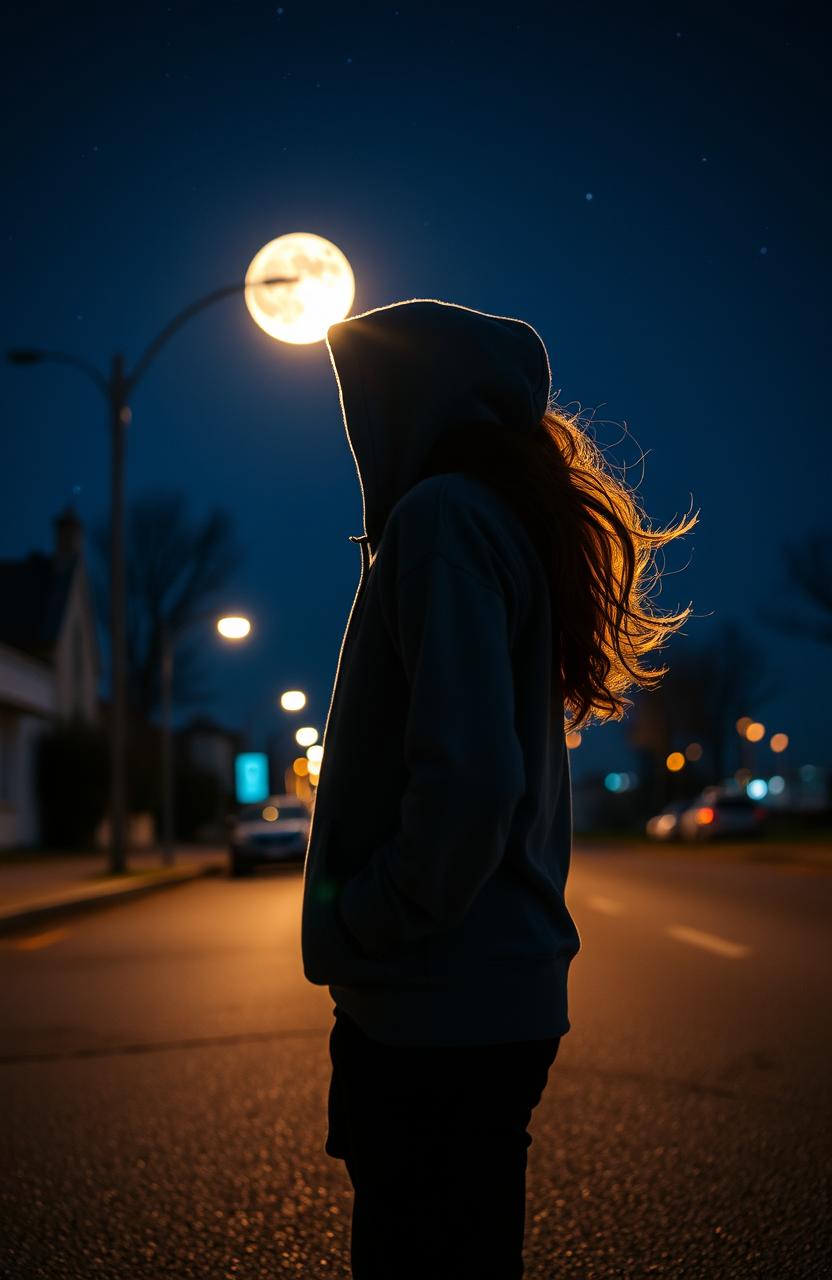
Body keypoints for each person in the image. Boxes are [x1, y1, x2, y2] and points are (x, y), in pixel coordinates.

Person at [300, 298, 696, 1279]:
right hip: (483, 999)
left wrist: (373, 918)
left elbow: (471, 780)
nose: (363, 424)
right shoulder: (488, 521)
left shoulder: (440, 520)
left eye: (370, 397)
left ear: (413, 396)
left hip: (436, 999)